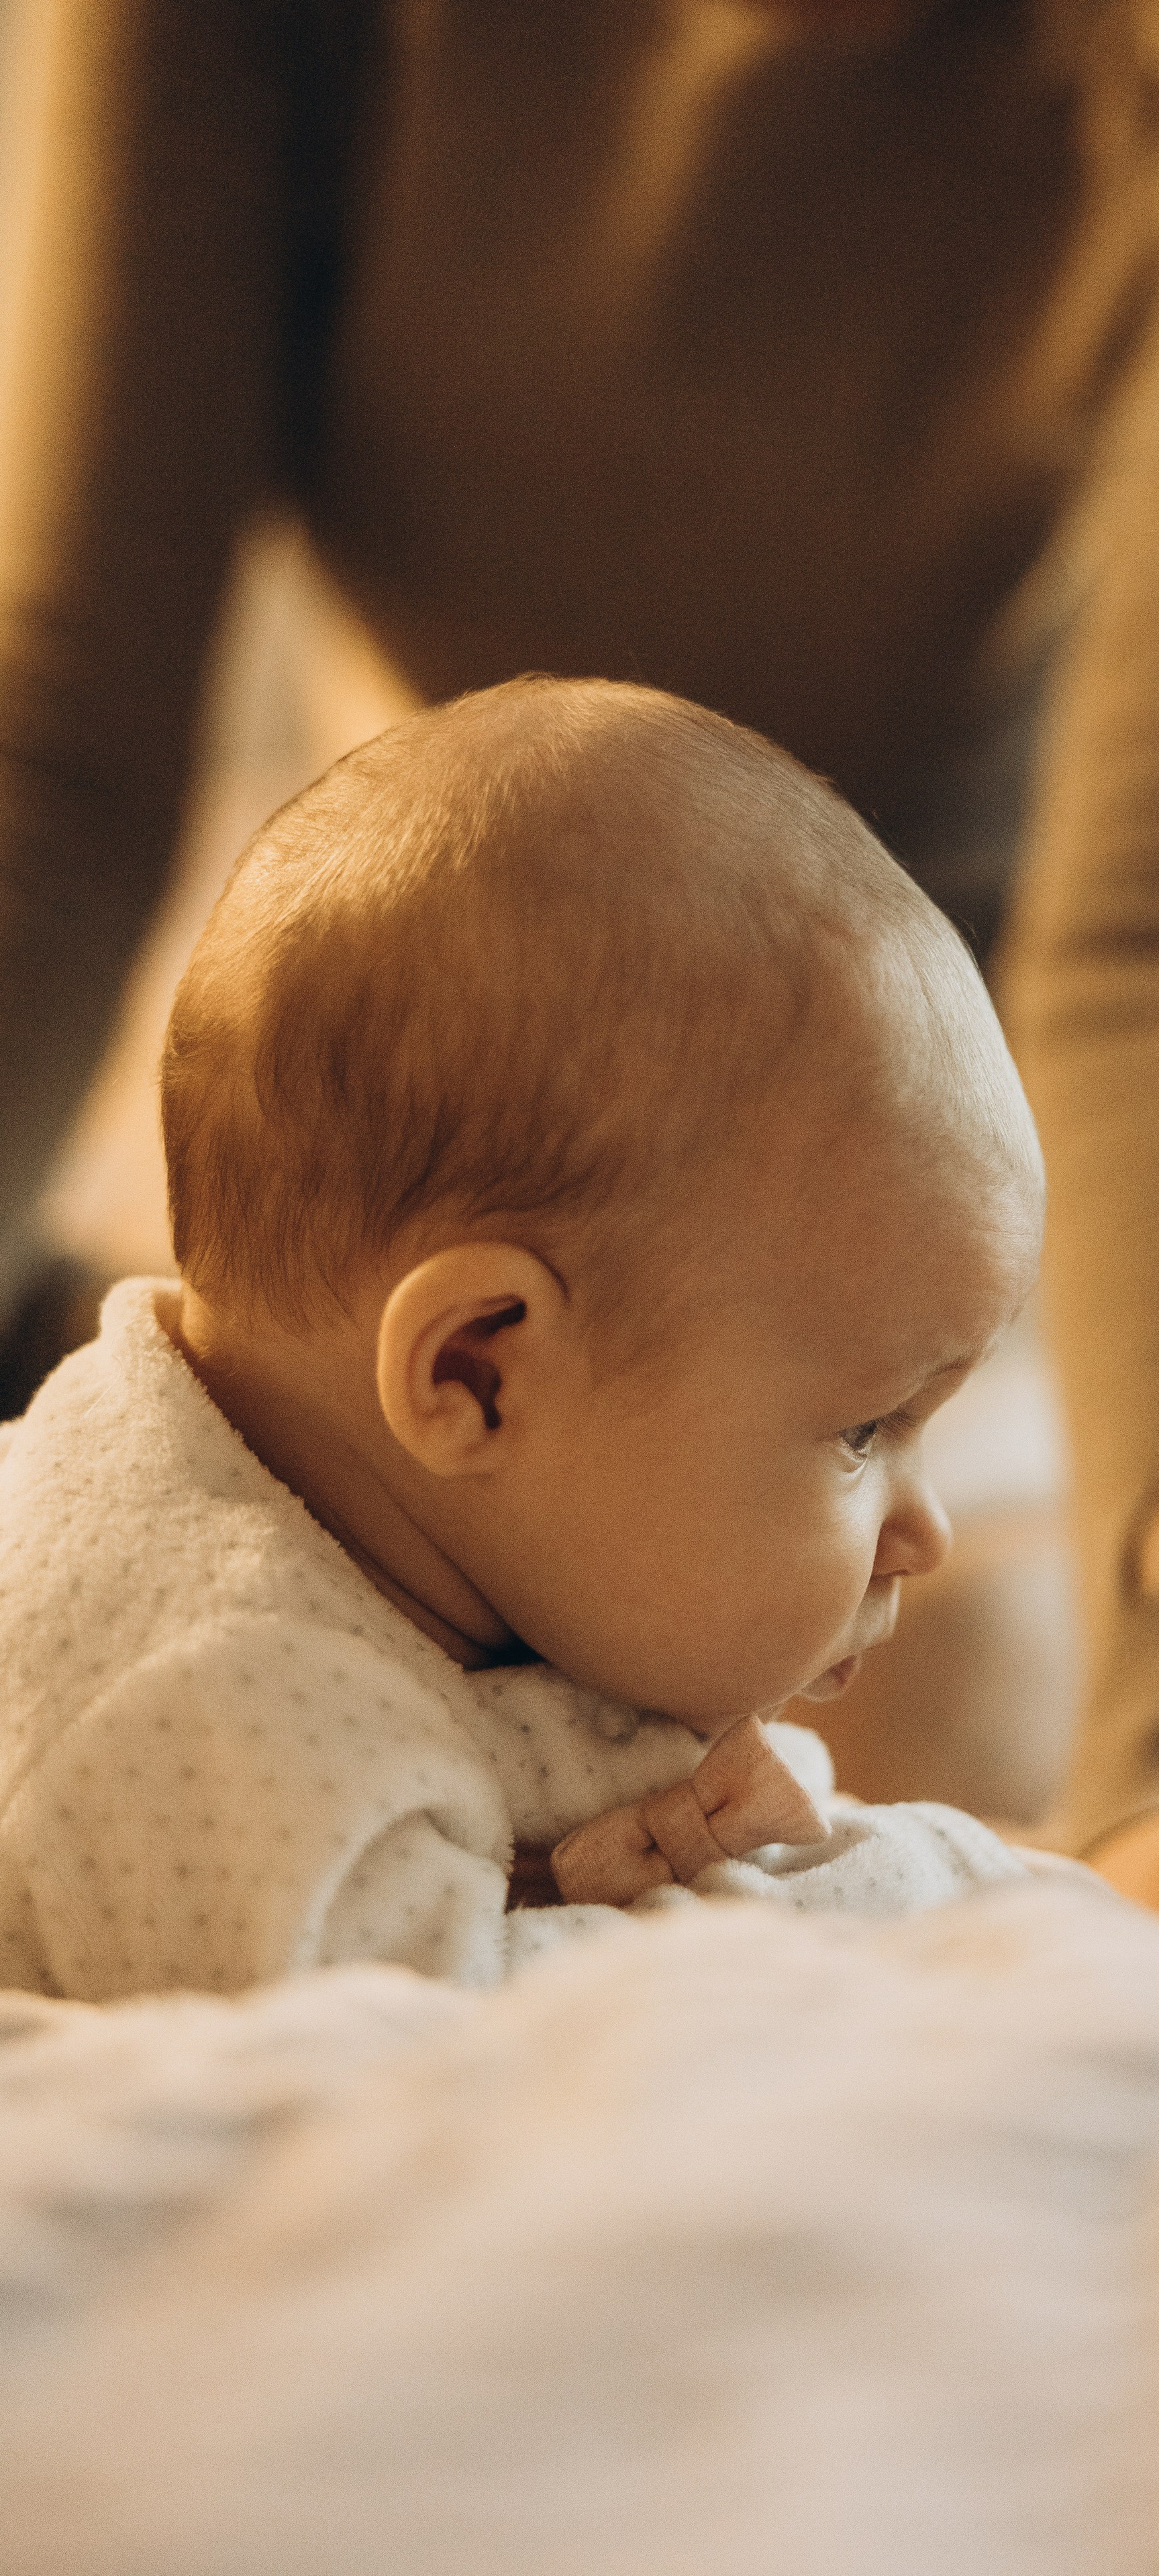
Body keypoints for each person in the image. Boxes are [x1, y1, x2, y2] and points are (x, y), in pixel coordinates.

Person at [1, 0, 1159, 1930]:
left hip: (1062, 1227)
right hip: (505, 1117)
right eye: (880, 1448)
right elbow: (57, 758)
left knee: (944, 1700)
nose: (922, 1502)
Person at [0, 680, 1056, 1998]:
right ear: (476, 1373)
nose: (925, 1533)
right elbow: (414, 2086)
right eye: (860, 1431)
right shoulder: (199, 1698)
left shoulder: (456, 1558)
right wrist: (700, 1919)